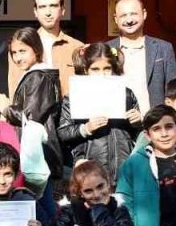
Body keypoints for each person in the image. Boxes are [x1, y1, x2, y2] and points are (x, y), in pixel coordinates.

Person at [58, 42, 142, 190]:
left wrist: (138, 121)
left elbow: (140, 134)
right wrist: (86, 128)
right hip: (90, 170)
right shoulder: (75, 96)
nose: (102, 74)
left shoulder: (126, 94)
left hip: (122, 166)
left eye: (107, 68)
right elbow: (63, 132)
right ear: (86, 70)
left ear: (113, 68)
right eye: (95, 69)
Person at [6, 27, 63, 218]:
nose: (18, 57)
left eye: (23, 51)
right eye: (14, 52)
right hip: (39, 152)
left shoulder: (39, 76)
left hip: (39, 153)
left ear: (36, 49)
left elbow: (29, 116)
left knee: (42, 209)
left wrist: (5, 107)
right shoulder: (36, 74)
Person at [9, 0, 84, 96]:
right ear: (35, 11)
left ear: (62, 9)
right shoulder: (20, 47)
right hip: (32, 113)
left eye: (53, 6)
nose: (48, 12)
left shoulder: (77, 47)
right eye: (42, 7)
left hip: (68, 112)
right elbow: (14, 91)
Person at [107, 0, 176, 112]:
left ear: (144, 14)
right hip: (117, 125)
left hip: (153, 123)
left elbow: (173, 91)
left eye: (133, 14)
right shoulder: (107, 50)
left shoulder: (163, 48)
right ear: (116, 19)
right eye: (123, 16)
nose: (129, 20)